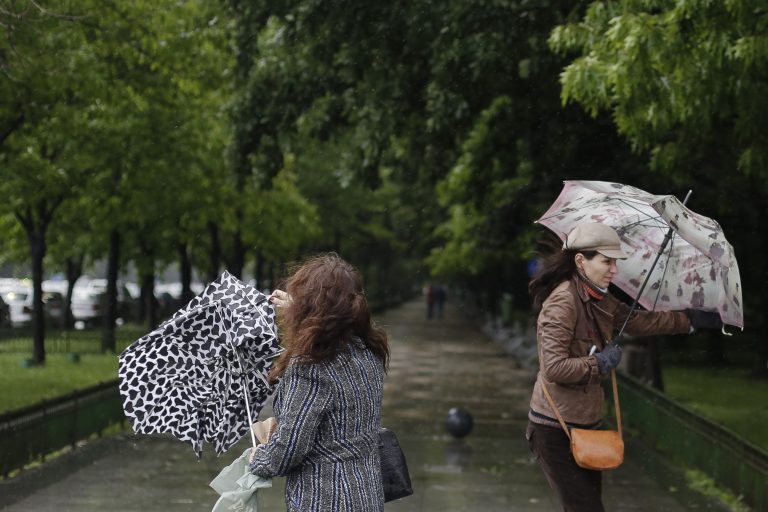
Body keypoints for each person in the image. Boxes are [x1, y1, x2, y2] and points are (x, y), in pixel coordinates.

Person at [525, 223, 722, 512]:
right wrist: (599, 362)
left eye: (615, 262)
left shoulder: (599, 298)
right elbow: (554, 368)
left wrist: (691, 320)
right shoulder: (563, 302)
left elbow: (639, 321)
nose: (614, 270)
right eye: (606, 261)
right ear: (581, 261)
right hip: (554, 429)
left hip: (587, 426)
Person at [248, 253, 390, 512]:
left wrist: (260, 458)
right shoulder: (368, 352)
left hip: (325, 500)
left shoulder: (310, 367)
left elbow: (289, 451)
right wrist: (304, 308)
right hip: (366, 494)